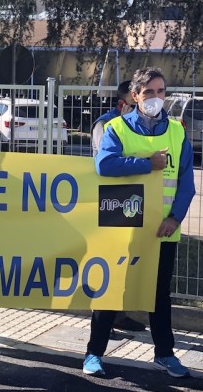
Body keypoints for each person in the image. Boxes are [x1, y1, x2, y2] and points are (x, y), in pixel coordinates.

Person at [85, 67, 195, 378]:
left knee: (158, 294)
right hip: (121, 226)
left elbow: (186, 182)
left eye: (161, 92)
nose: (156, 98)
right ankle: (94, 352)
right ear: (135, 96)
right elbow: (104, 164)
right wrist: (148, 164)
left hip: (162, 231)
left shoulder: (176, 131)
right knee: (110, 292)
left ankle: (164, 354)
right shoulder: (117, 128)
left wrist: (175, 218)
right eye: (149, 93)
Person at [91, 80, 146, 333]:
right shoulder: (107, 124)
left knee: (125, 262)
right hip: (109, 199)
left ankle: (119, 315)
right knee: (108, 262)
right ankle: (104, 322)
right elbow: (105, 162)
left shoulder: (141, 126)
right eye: (133, 103)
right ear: (121, 103)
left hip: (134, 199)